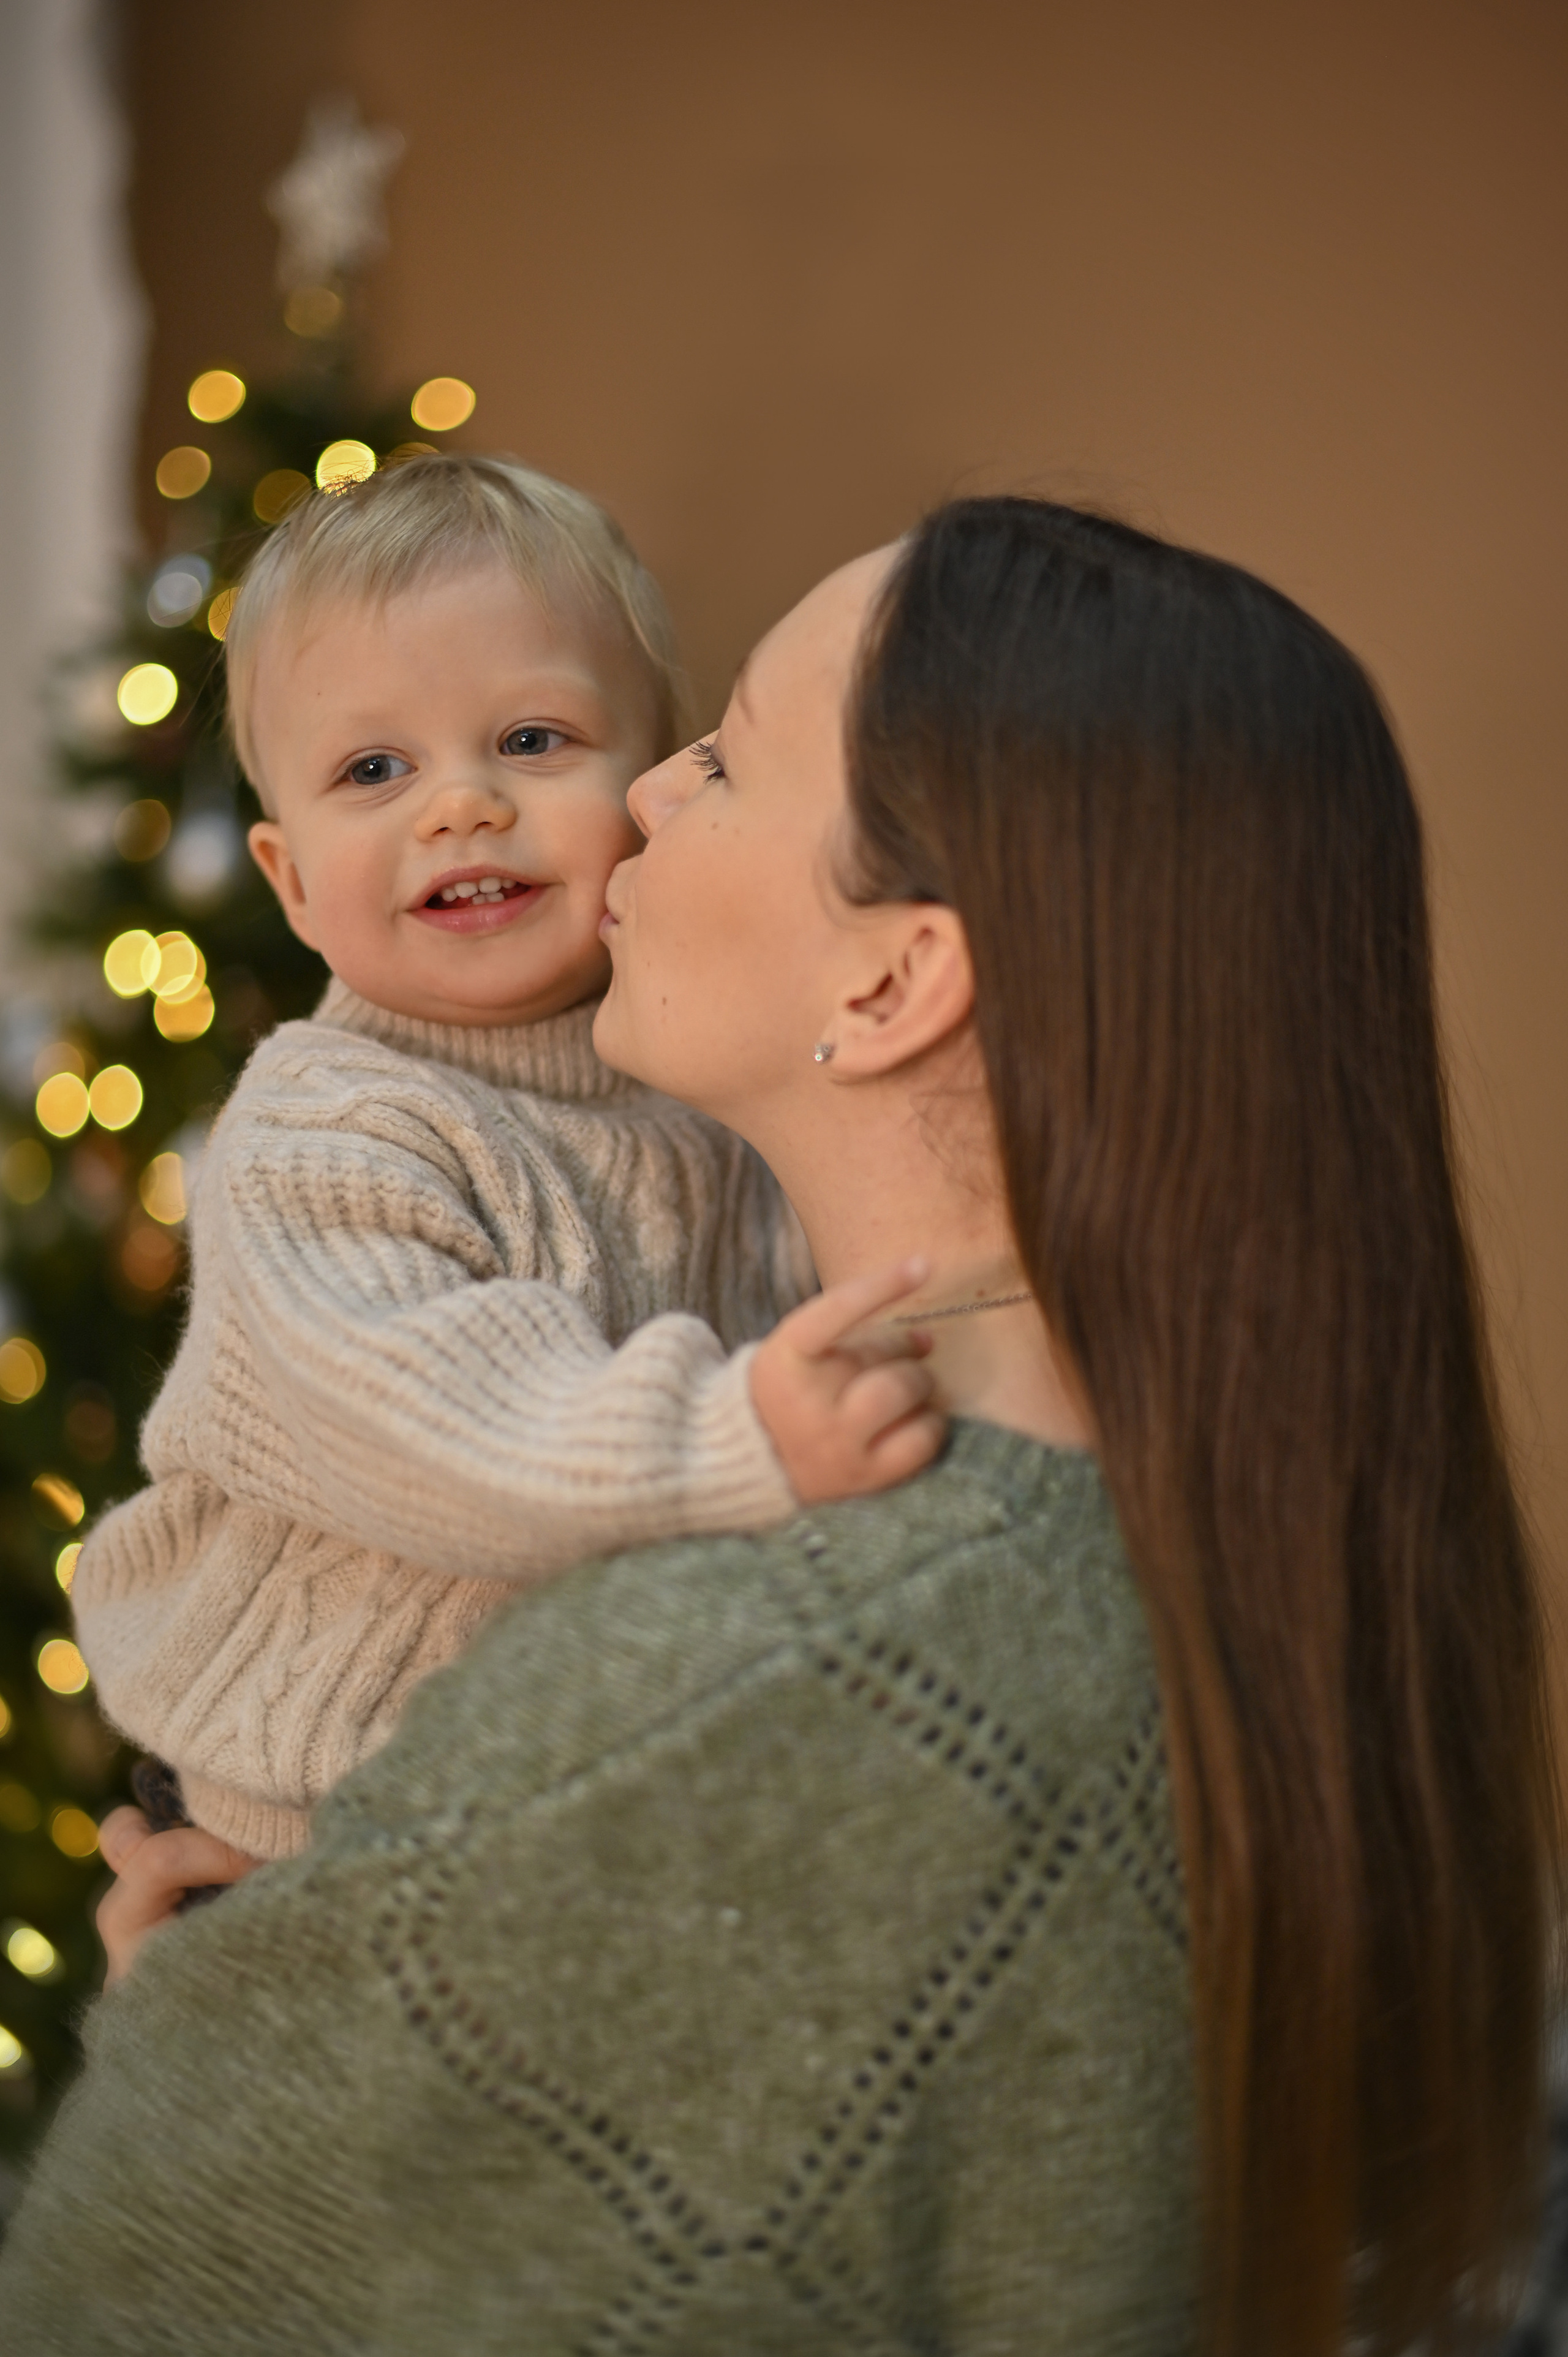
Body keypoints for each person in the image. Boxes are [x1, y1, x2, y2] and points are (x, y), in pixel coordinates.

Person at [0, 499, 1552, 2357]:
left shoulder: (765, 1675)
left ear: (893, 978)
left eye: (716, 754)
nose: (637, 799)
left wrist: (230, 2019)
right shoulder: (1248, 1549)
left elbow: (128, 2296)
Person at [68, 452, 940, 1881]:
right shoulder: (324, 1126)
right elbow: (426, 1402)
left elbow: (833, 1305)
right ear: (289, 883)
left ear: (651, 791)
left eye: (531, 741)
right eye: (373, 770)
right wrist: (737, 1436)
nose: (459, 806)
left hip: (537, 1801)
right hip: (288, 1808)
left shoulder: (712, 1098)